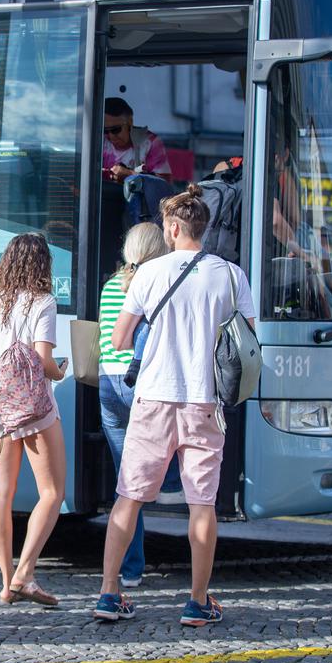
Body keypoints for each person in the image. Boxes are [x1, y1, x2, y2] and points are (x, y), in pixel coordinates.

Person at [94, 185, 255, 625]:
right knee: (202, 503)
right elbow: (247, 341)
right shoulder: (230, 274)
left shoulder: (149, 273)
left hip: (154, 397)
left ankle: (110, 594)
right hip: (205, 401)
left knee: (129, 498)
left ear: (173, 226)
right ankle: (198, 601)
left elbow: (119, 339)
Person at [0, 233, 68, 608]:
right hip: (32, 402)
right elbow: (43, 360)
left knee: (0, 491)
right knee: (52, 492)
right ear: (43, 264)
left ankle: (4, 579)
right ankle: (24, 572)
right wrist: (60, 372)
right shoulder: (43, 301)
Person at [97, 223, 181, 591]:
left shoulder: (112, 283)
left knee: (125, 485)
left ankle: (130, 569)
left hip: (107, 384)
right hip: (139, 382)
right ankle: (172, 483)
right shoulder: (156, 282)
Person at [102, 97, 172, 183]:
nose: (111, 136)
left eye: (115, 130)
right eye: (105, 130)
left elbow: (164, 185)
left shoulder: (150, 143)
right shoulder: (98, 140)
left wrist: (130, 176)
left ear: (130, 122)